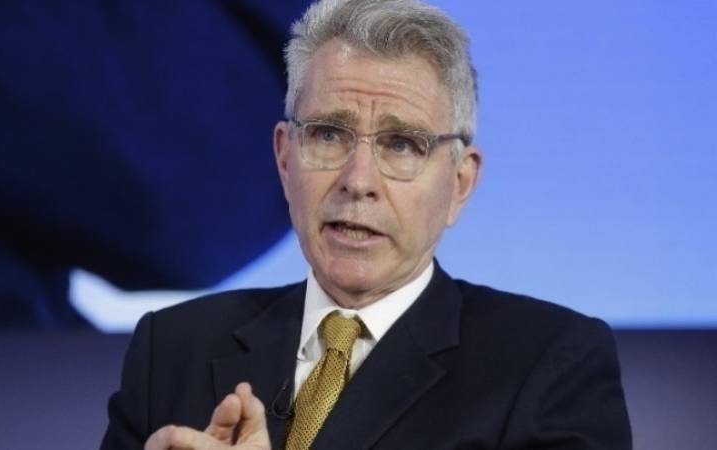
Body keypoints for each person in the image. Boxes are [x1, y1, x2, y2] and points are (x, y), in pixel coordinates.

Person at [101, 0, 632, 448]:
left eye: (401, 145)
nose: (358, 181)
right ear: (285, 159)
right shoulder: (170, 349)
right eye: (329, 134)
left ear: (460, 183)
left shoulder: (550, 363)